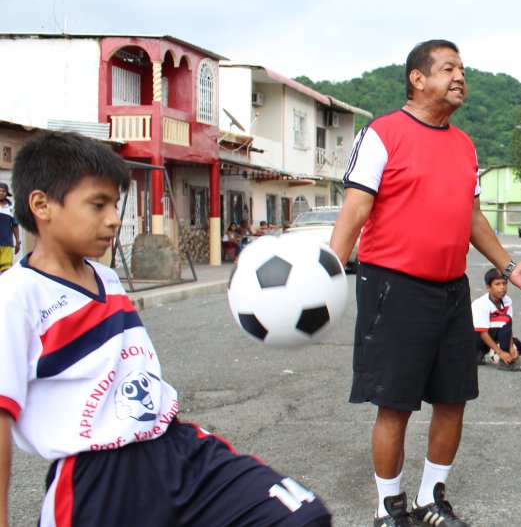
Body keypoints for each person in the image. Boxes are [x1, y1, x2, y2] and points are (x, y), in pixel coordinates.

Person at [0, 131, 331, 527]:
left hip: (175, 448)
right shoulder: (16, 298)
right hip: (97, 478)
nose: (112, 219)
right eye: (97, 204)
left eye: (115, 204)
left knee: (300, 518)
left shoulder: (106, 277)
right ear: (42, 205)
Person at [329, 39, 521, 527]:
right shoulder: (382, 134)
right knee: (396, 404)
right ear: (417, 77)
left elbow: (472, 219)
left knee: (453, 399)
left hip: (451, 291)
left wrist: (511, 268)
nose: (460, 78)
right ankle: (388, 506)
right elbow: (356, 209)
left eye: (463, 70)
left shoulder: (465, 145)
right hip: (394, 287)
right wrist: (328, 271)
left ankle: (432, 500)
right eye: (448, 68)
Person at [471, 268, 521, 372]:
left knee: (519, 346)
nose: (502, 288)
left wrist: (511, 348)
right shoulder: (480, 304)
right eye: (497, 284)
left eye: (504, 283)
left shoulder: (507, 301)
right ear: (488, 287)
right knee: (505, 320)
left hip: (492, 333)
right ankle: (503, 361)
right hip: (476, 337)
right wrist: (501, 352)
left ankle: (480, 353)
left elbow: (508, 326)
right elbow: (483, 333)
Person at [0, 183, 20, 273]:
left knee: (6, 271)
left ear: (7, 193)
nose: (1, 192)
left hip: (7, 244)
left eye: (3, 191)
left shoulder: (12, 207)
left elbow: (15, 225)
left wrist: (18, 242)